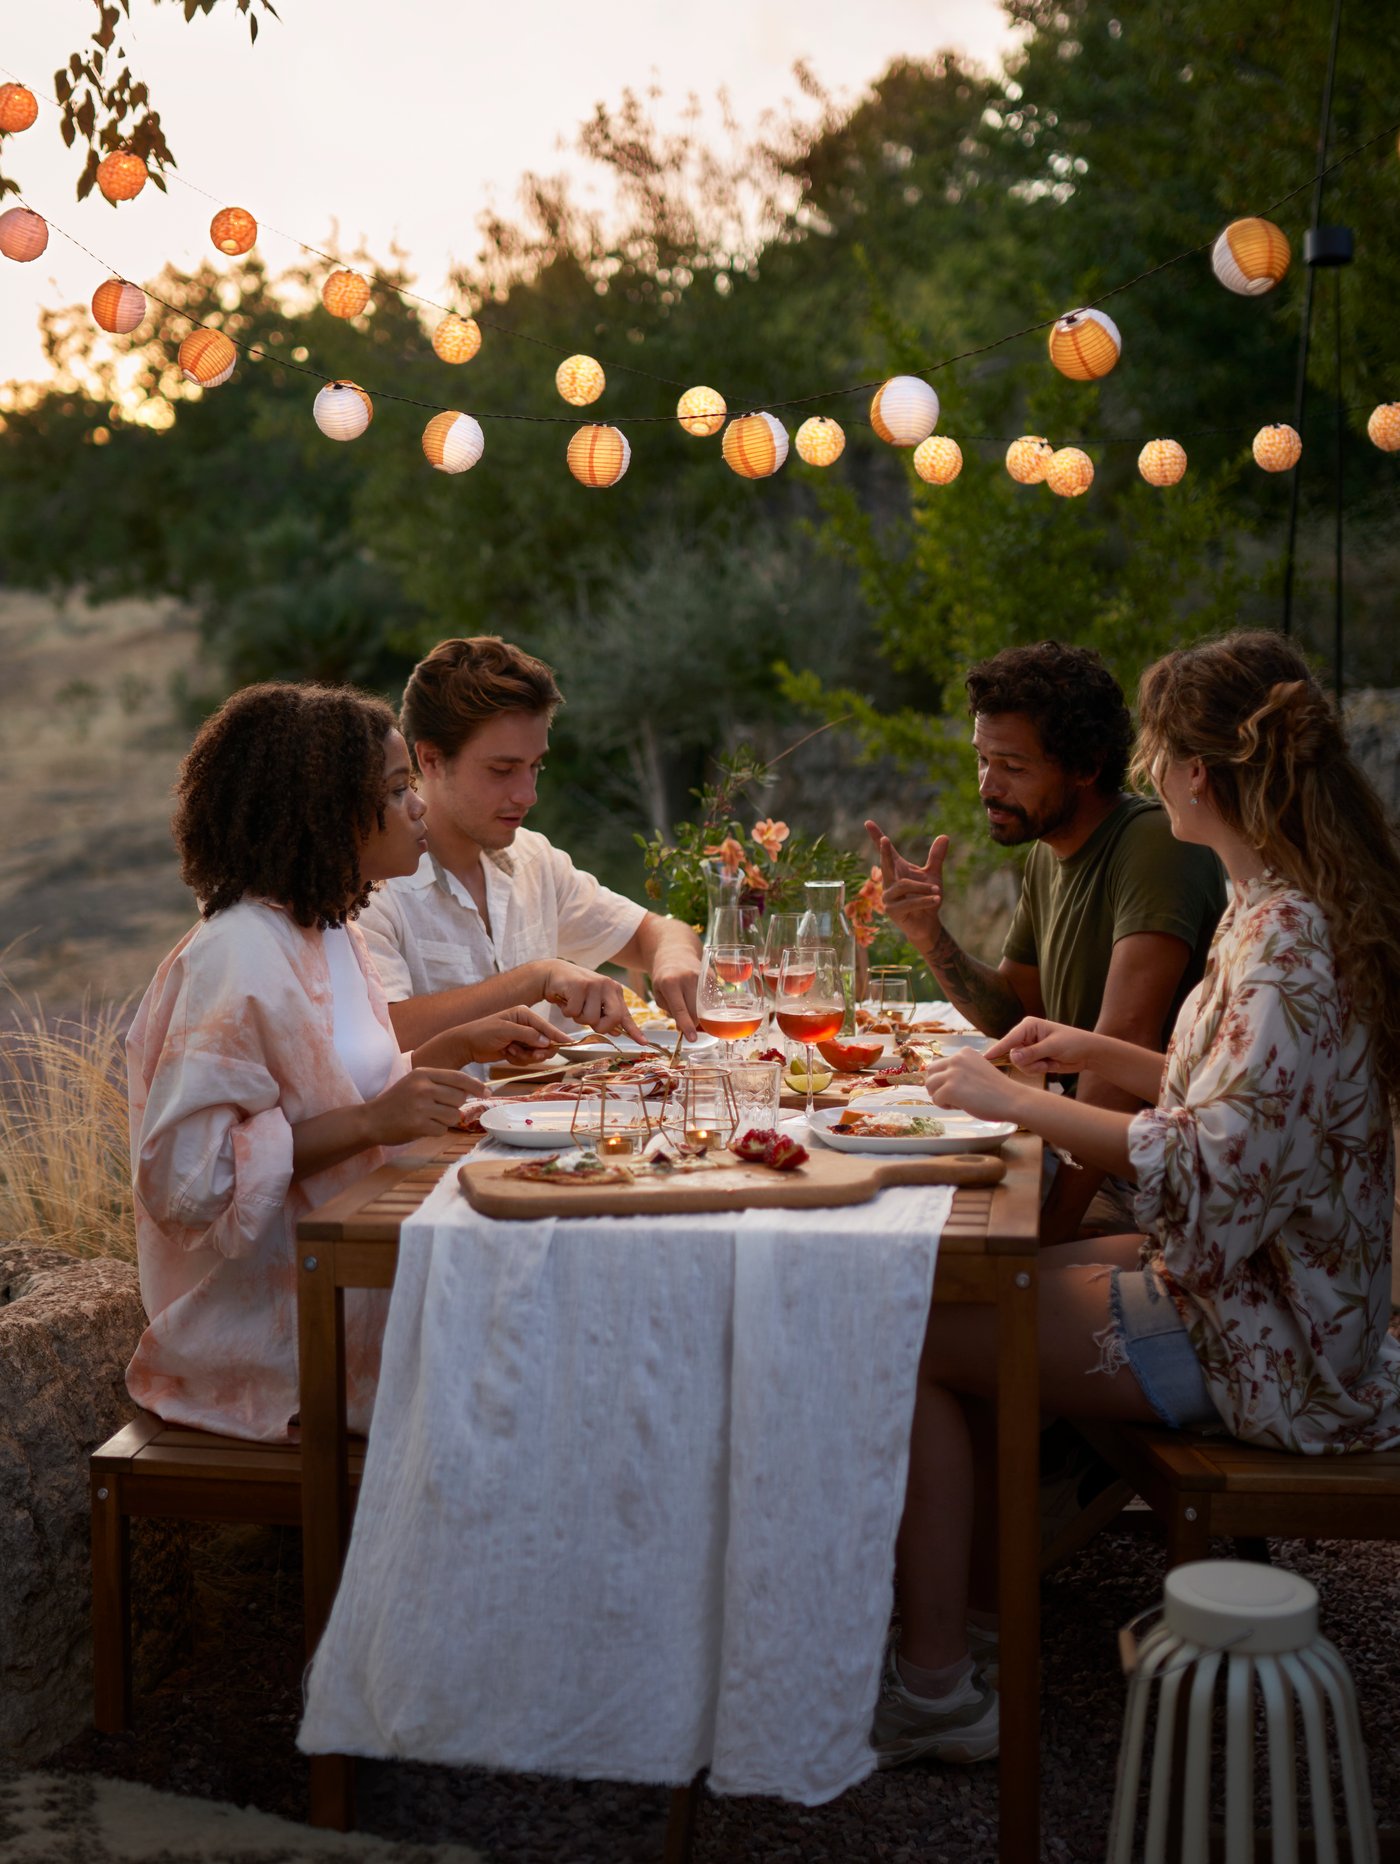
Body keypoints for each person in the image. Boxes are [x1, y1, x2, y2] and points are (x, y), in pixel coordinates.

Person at [873, 630, 1400, 1768]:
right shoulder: (1277, 905)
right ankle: (963, 1632)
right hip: (1256, 1291)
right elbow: (1248, 1106)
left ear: (1195, 773)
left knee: (907, 1330)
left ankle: (934, 1685)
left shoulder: (1285, 941)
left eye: (1161, 753)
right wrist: (1082, 1050)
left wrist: (1005, 1099)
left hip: (1276, 1342)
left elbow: (1211, 1160)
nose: (1152, 775)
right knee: (972, 1285)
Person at [127, 682, 561, 1442]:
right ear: (323, 811)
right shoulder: (237, 955)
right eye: (397, 790)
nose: (418, 805)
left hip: (358, 1272)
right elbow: (188, 1181)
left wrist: (450, 1049)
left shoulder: (330, 927)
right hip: (280, 1321)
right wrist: (369, 1122)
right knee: (539, 1348)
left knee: (556, 1300)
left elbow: (349, 1093)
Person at [867, 641, 1225, 1243]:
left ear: (1085, 766)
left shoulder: (1154, 844)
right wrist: (929, 938)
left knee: (943, 1266)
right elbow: (1014, 1012)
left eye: (1013, 766)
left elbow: (1120, 1047)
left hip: (1150, 1185)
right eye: (982, 759)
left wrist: (1048, 1230)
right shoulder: (1045, 854)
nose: (987, 786)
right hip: (1072, 1152)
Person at [358, 636, 704, 1051]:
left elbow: (656, 931)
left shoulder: (533, 858)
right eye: (502, 770)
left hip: (554, 1112)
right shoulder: (371, 882)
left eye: (534, 767)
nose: (528, 794)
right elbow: (381, 1031)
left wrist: (674, 960)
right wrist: (535, 978)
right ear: (430, 759)